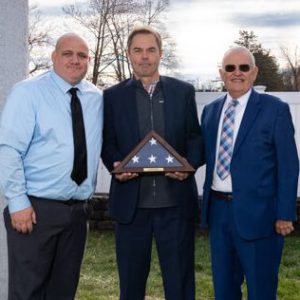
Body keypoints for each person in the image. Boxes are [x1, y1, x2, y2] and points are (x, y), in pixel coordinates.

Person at [101, 26, 202, 300]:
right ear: (128, 55)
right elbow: (107, 142)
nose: (144, 56)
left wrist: (187, 165)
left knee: (180, 286)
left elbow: (194, 137)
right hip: (132, 208)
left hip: (175, 207)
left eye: (150, 50)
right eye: (138, 50)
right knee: (131, 288)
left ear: (160, 53)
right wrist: (115, 164)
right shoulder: (112, 96)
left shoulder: (183, 91)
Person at [0, 33, 103, 300]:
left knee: (63, 292)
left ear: (88, 61)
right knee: (28, 292)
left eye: (82, 55)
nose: (75, 60)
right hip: (35, 211)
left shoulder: (96, 98)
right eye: (67, 53)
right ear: (54, 57)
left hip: (78, 214)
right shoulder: (28, 92)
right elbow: (8, 149)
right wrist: (17, 201)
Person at [200, 46, 299, 300]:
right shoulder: (210, 111)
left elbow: (288, 164)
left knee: (261, 291)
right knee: (224, 290)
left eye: (244, 67)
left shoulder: (274, 109)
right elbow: (200, 154)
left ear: (254, 73)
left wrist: (285, 214)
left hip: (261, 216)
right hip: (219, 214)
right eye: (230, 68)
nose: (237, 73)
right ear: (221, 74)